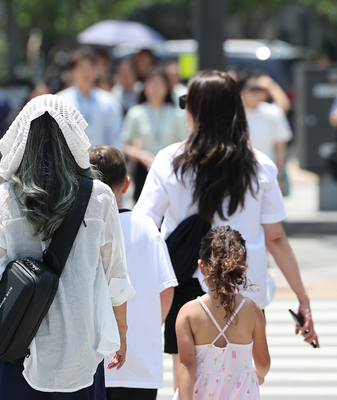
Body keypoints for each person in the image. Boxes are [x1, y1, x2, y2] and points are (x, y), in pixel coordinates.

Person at [133, 70, 319, 389]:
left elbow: (143, 226)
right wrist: (303, 299)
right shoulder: (259, 165)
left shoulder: (170, 161)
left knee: (187, 374)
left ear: (195, 110)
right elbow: (275, 237)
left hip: (188, 280)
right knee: (243, 375)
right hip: (243, 283)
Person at [0, 94, 135, 398]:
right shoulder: (99, 196)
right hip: (79, 347)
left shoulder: (4, 196)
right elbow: (116, 278)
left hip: (16, 343)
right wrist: (121, 333)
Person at [89, 145, 177, 400]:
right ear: (126, 184)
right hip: (141, 360)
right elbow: (167, 287)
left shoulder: (82, 226)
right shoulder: (145, 227)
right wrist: (148, 325)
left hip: (91, 358)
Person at [175, 226, 270, 400]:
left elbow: (186, 364)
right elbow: (263, 363)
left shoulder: (188, 313)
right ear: (242, 269)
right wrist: (259, 374)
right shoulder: (253, 311)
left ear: (201, 266)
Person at [122, 68, 186, 201]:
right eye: (151, 83)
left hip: (170, 169)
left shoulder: (176, 114)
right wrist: (141, 155)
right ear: (144, 87)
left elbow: (184, 142)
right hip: (144, 169)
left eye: (159, 84)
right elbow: (125, 145)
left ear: (167, 87)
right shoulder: (136, 112)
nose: (155, 88)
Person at [237, 70, 293, 194]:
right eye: (253, 88)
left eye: (260, 89)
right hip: (239, 177)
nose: (257, 92)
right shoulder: (234, 114)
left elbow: (280, 148)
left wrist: (280, 176)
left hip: (266, 176)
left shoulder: (272, 113)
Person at [57, 47, 124, 149]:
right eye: (81, 68)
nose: (86, 73)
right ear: (71, 72)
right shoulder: (60, 101)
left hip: (102, 161)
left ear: (96, 71)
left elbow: (116, 138)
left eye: (90, 68)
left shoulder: (109, 102)